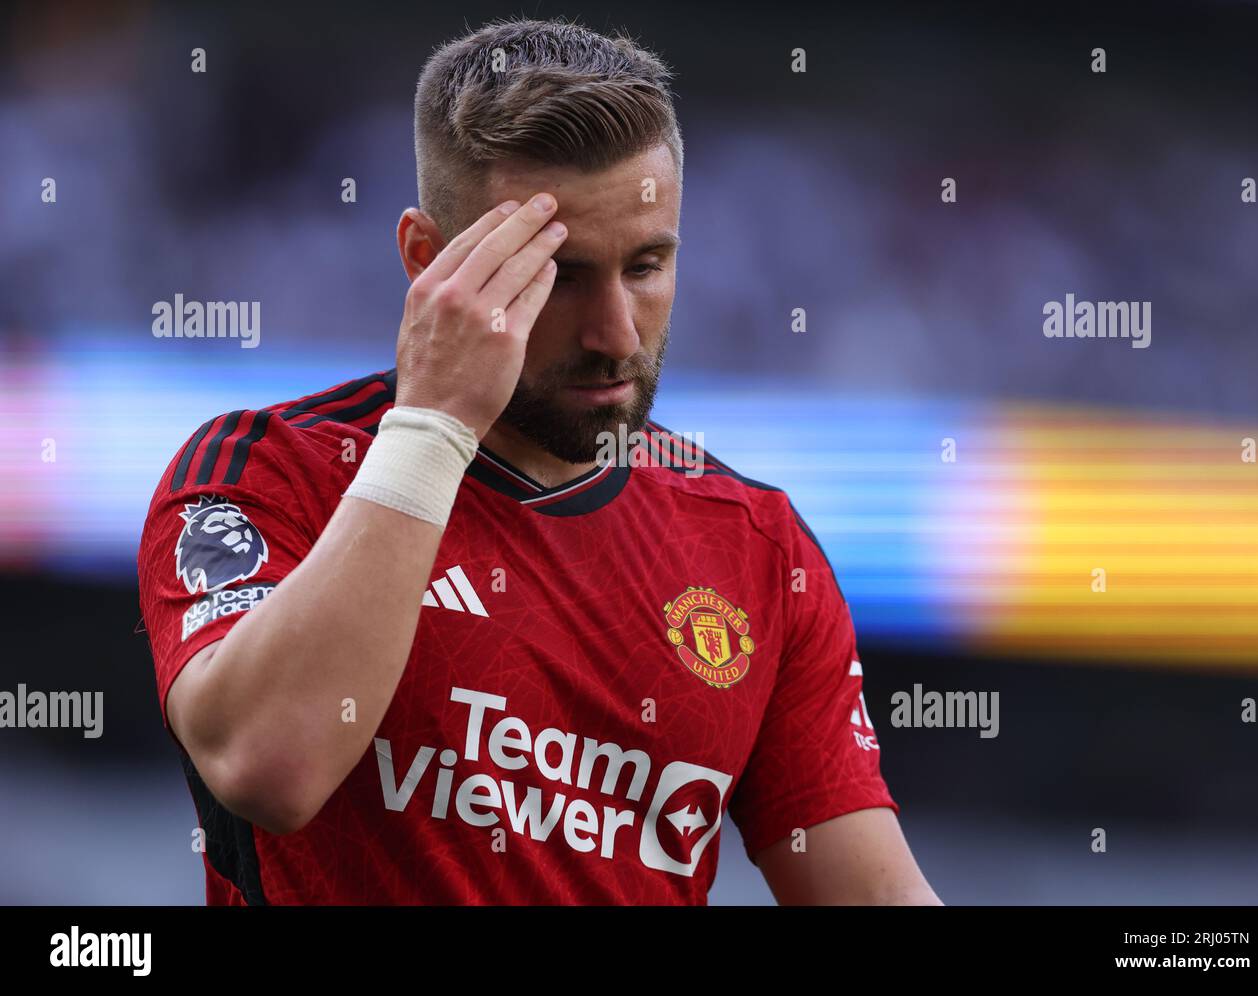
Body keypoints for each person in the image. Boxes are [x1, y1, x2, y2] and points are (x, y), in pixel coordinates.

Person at [136, 15, 940, 905]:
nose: (616, 335)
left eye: (646, 265)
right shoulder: (267, 474)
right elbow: (268, 768)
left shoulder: (759, 550)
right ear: (426, 261)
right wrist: (436, 422)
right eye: (558, 275)